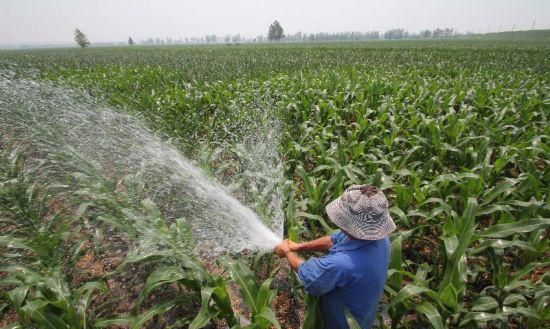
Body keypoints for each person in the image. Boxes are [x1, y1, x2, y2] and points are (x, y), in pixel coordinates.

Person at [274, 184, 396, 329]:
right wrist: (299, 246)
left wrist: (287, 252)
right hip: (364, 314)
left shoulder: (342, 264)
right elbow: (333, 239)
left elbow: (310, 277)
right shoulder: (381, 239)